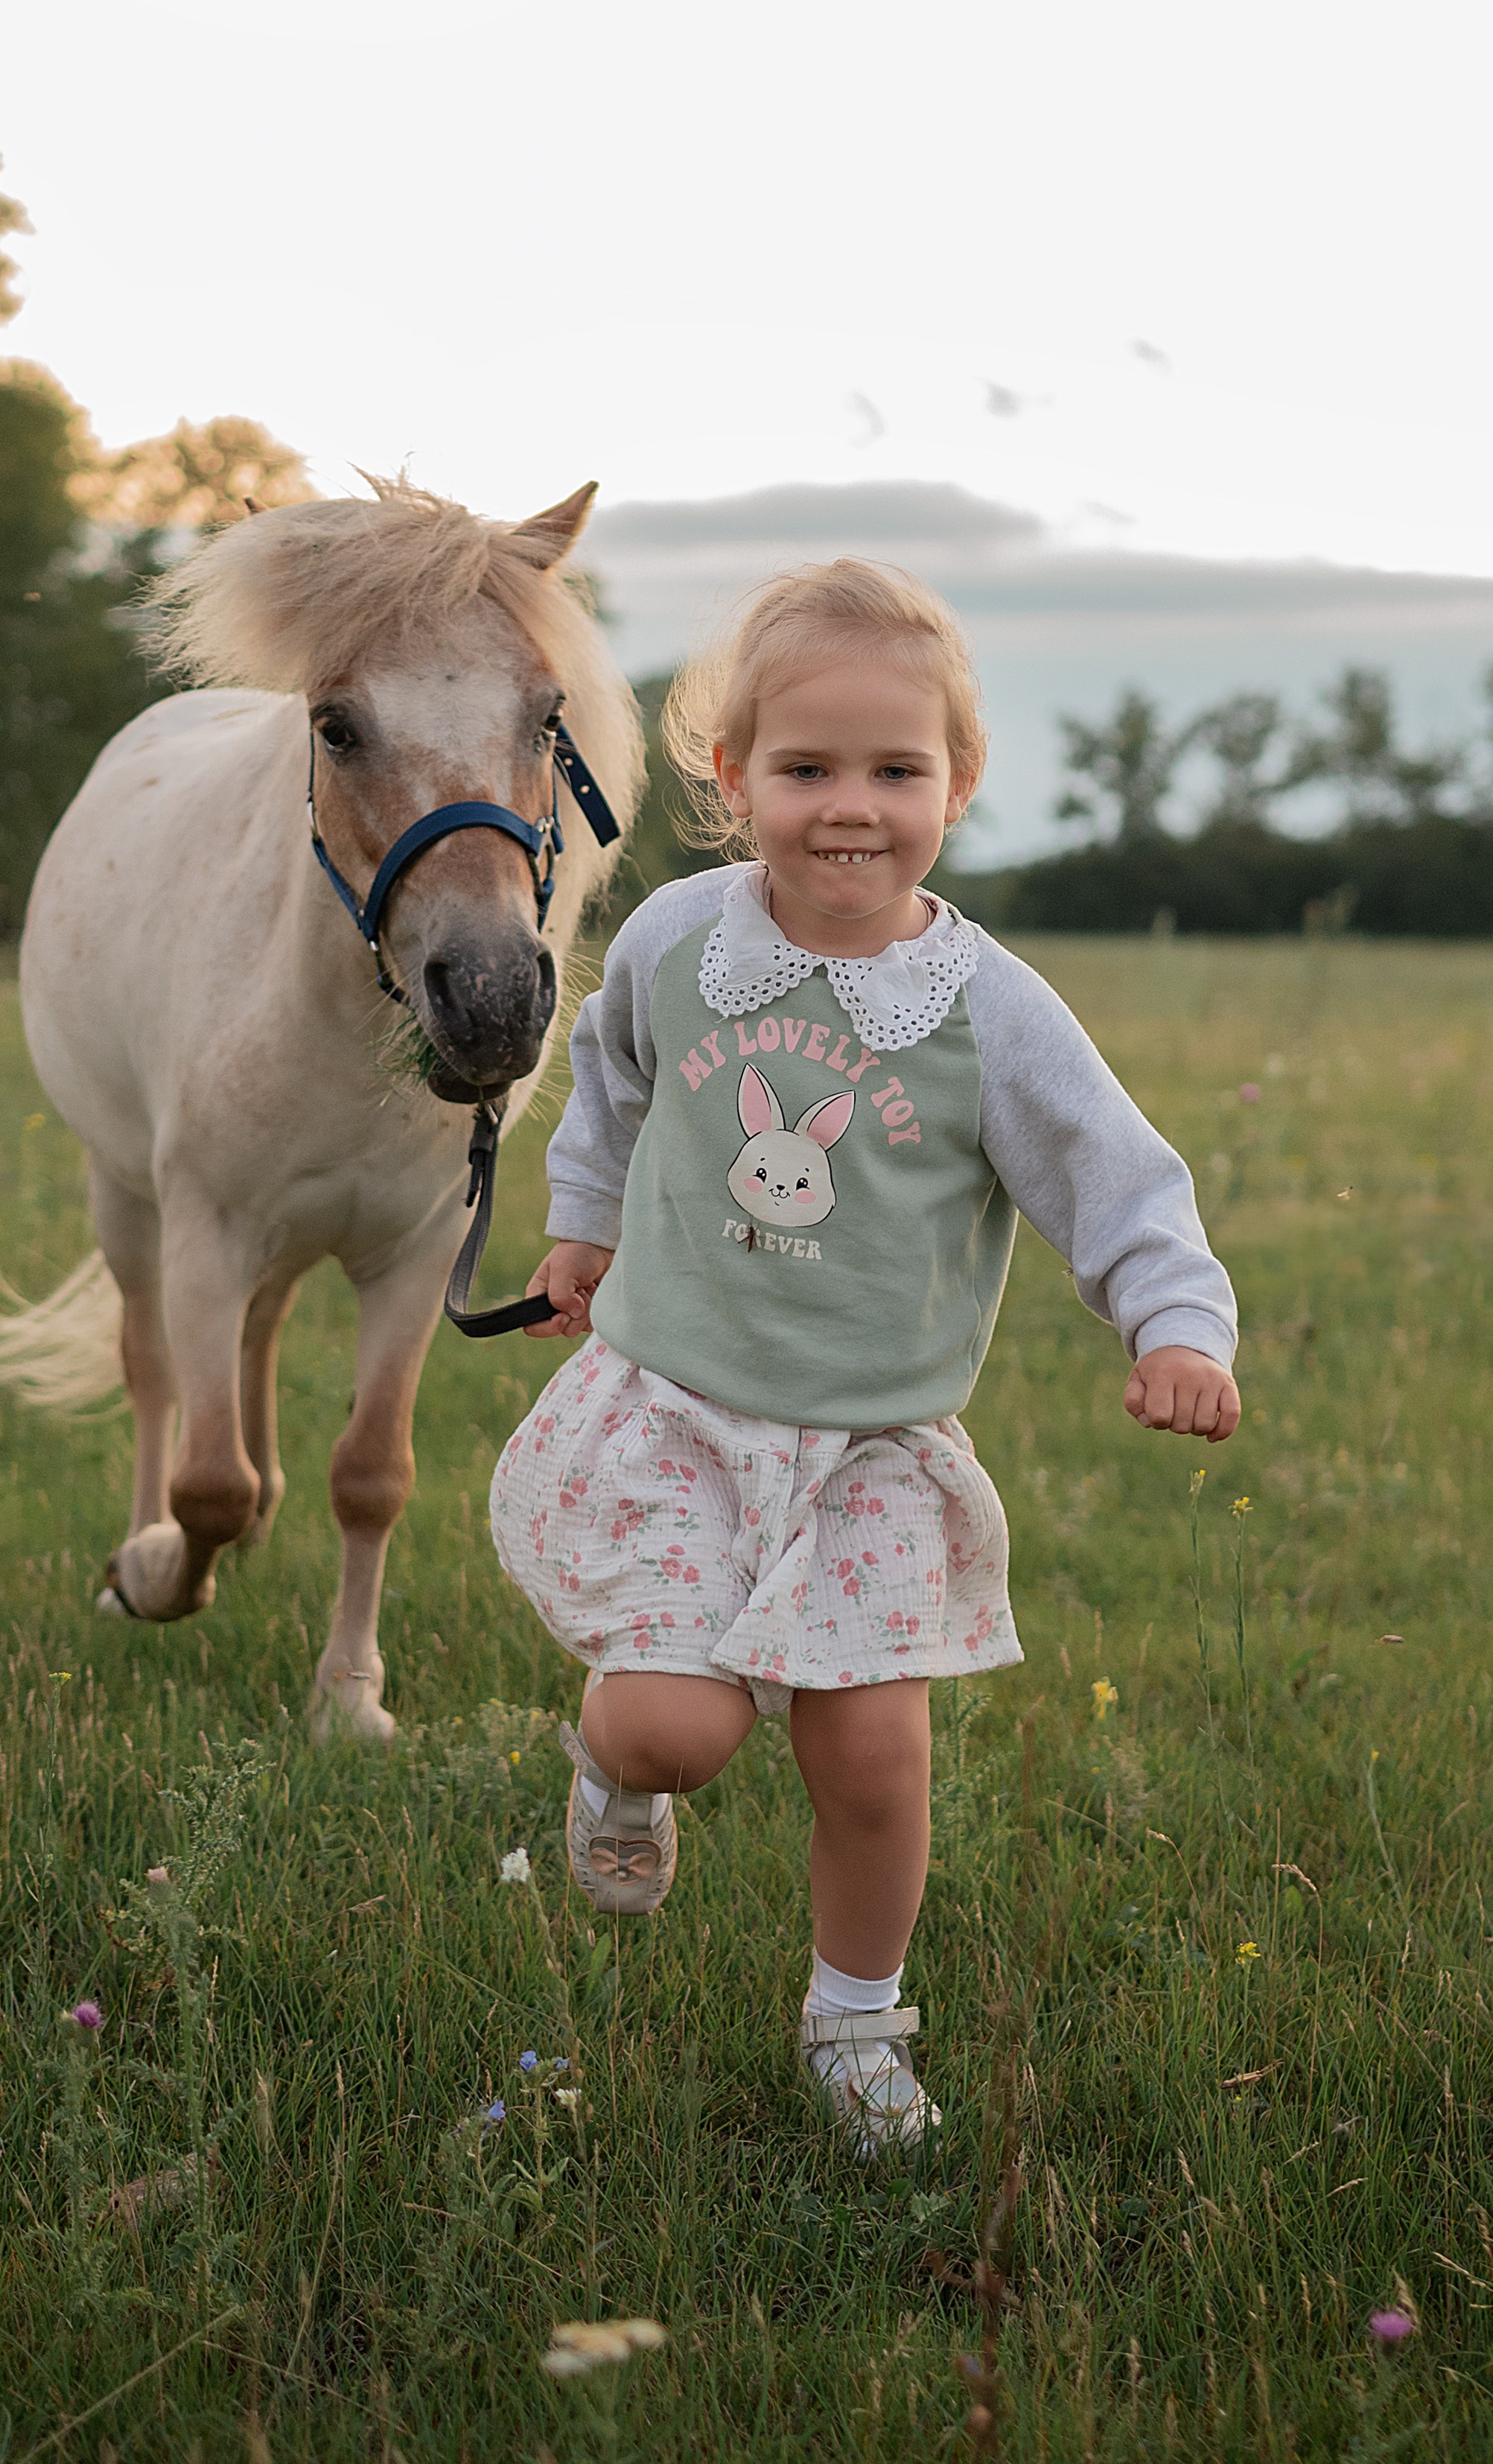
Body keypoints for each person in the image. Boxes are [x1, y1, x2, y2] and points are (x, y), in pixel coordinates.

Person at [488, 559, 1239, 2158]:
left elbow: (1122, 1179)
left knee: (875, 1752)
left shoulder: (988, 1013)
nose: (852, 808)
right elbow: (617, 1080)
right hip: (677, 1412)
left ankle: (854, 2019)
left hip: (873, 1452)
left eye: (896, 770)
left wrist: (1179, 1322)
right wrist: (586, 1223)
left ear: (957, 785)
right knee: (672, 1731)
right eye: (808, 768)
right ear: (732, 778)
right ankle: (615, 1776)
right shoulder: (683, 944)